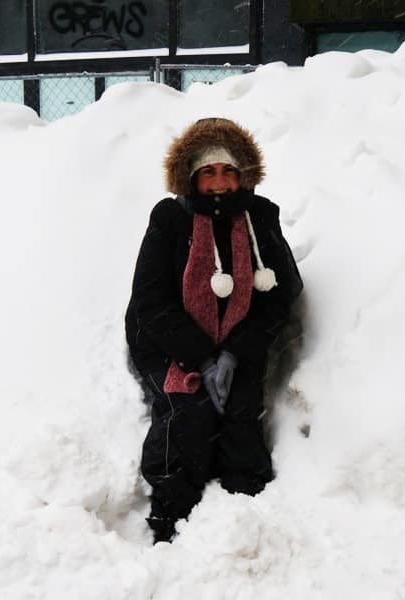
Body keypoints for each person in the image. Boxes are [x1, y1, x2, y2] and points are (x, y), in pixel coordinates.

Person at [125, 117, 303, 543]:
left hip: (238, 344)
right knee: (188, 411)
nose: (220, 182)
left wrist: (234, 353)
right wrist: (201, 356)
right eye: (208, 172)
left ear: (243, 175)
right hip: (169, 343)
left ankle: (246, 513)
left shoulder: (260, 217)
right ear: (191, 177)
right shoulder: (169, 219)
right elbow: (150, 299)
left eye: (228, 171)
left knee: (240, 414)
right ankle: (170, 513)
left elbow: (283, 291)